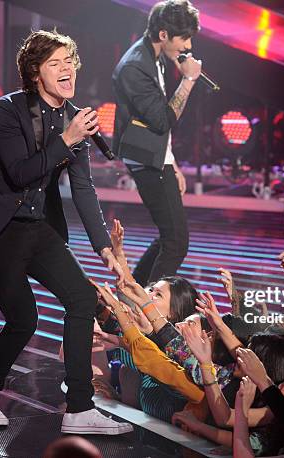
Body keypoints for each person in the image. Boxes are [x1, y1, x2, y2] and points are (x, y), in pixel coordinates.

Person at [0, 29, 132, 435]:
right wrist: (67, 139)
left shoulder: (74, 120)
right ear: (35, 73)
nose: (66, 69)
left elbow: (83, 189)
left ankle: (79, 408)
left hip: (39, 227)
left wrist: (104, 246)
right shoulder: (8, 111)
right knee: (23, 319)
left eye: (69, 60)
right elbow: (20, 172)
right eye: (55, 63)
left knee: (81, 297)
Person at [112, 0, 202, 285]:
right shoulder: (134, 68)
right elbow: (163, 120)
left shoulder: (156, 56)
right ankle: (149, 310)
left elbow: (158, 123)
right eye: (183, 38)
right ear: (163, 34)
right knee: (176, 242)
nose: (187, 45)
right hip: (145, 160)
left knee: (169, 237)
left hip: (157, 156)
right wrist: (188, 80)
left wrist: (172, 161)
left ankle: (134, 293)